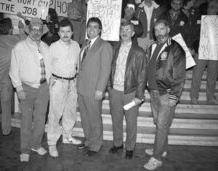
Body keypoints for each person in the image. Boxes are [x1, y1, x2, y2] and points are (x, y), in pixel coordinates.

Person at [143, 19, 186, 170]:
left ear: (168, 29)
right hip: (154, 91)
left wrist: (174, 96)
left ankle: (157, 158)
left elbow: (180, 75)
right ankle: (162, 149)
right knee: (159, 122)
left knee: (161, 125)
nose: (159, 33)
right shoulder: (152, 46)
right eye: (156, 30)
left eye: (162, 29)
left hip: (166, 93)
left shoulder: (176, 48)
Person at [9, 18, 51, 162]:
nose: (36, 32)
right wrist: (18, 88)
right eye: (34, 29)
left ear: (42, 32)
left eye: (39, 29)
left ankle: (36, 144)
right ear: (29, 30)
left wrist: (50, 84)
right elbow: (13, 69)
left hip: (44, 88)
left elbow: (49, 67)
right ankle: (25, 150)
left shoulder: (45, 47)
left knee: (40, 120)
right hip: (26, 88)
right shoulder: (19, 47)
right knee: (26, 121)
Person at [108, 21, 147, 159]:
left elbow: (142, 75)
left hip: (130, 92)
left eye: (127, 30)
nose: (124, 32)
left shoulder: (139, 51)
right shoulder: (114, 48)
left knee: (131, 122)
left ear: (133, 33)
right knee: (116, 119)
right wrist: (109, 87)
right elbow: (109, 68)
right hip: (115, 91)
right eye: (122, 30)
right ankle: (118, 144)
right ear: (119, 32)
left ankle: (130, 147)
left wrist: (139, 95)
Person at [77, 17, 113, 157]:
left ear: (100, 30)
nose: (91, 29)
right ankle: (88, 140)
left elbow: (106, 70)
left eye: (95, 27)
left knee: (94, 117)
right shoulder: (85, 44)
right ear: (86, 29)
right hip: (82, 88)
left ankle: (96, 144)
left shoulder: (104, 46)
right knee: (85, 117)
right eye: (89, 26)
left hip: (94, 89)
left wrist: (100, 89)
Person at [47, 19, 81, 158]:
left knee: (70, 111)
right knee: (55, 114)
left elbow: (78, 65)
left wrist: (77, 80)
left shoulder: (76, 46)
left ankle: (67, 136)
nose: (65, 34)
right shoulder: (53, 47)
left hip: (72, 82)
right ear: (58, 32)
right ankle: (52, 143)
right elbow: (48, 67)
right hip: (58, 82)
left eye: (68, 31)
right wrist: (51, 84)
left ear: (72, 32)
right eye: (62, 31)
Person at [190, 0, 218, 105]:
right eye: (210, 6)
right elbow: (193, 32)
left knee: (213, 75)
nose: (211, 9)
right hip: (201, 49)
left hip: (215, 50)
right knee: (197, 74)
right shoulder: (200, 18)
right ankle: (194, 96)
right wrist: (194, 46)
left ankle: (210, 97)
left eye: (213, 7)